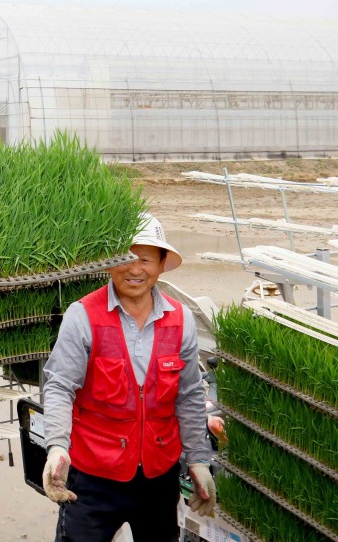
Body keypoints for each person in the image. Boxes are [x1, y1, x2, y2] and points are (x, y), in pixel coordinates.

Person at [41, 213, 216, 542]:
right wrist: (57, 448)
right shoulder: (84, 315)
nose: (135, 269)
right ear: (110, 262)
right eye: (126, 258)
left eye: (146, 259)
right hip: (92, 480)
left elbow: (190, 395)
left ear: (162, 265)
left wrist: (199, 460)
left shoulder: (181, 321)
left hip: (157, 481)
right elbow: (60, 388)